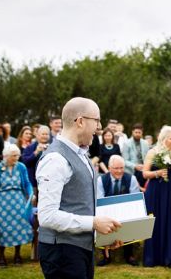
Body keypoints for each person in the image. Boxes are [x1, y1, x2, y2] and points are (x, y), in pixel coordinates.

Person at [36, 97, 122, 279]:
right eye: (96, 121)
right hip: (61, 252)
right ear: (81, 121)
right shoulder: (55, 159)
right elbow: (47, 216)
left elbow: (83, 203)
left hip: (80, 249)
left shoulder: (83, 154)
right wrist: (93, 223)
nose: (99, 128)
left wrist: (102, 234)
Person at [142, 125, 171, 267]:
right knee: (155, 222)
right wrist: (157, 173)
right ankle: (154, 257)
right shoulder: (153, 152)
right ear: (164, 139)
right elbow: (145, 173)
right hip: (155, 192)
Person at [0, 144, 34, 266]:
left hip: (18, 201)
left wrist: (31, 193)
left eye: (18, 155)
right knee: (3, 228)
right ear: (6, 156)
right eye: (14, 155)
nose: (16, 158)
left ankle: (17, 255)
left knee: (19, 226)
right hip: (1, 203)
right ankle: (1, 256)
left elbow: (27, 183)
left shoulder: (21, 167)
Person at [96, 155, 140, 267]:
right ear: (109, 168)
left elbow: (134, 200)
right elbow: (100, 200)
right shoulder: (101, 180)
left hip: (126, 210)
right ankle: (106, 256)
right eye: (116, 168)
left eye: (122, 168)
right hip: (107, 211)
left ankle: (129, 255)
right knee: (103, 222)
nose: (119, 171)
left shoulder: (132, 179)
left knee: (130, 220)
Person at [122, 123, 150, 188]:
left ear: (142, 133)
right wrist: (135, 166)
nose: (137, 134)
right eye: (136, 132)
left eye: (139, 132)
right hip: (131, 171)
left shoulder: (145, 143)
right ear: (132, 132)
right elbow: (124, 160)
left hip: (144, 170)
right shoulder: (126, 143)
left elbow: (148, 158)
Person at [22, 125, 49, 191]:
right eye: (43, 134)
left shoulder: (52, 147)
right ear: (38, 135)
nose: (45, 136)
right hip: (33, 182)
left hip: (47, 182)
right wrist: (35, 152)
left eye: (47, 134)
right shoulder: (30, 147)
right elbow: (25, 163)